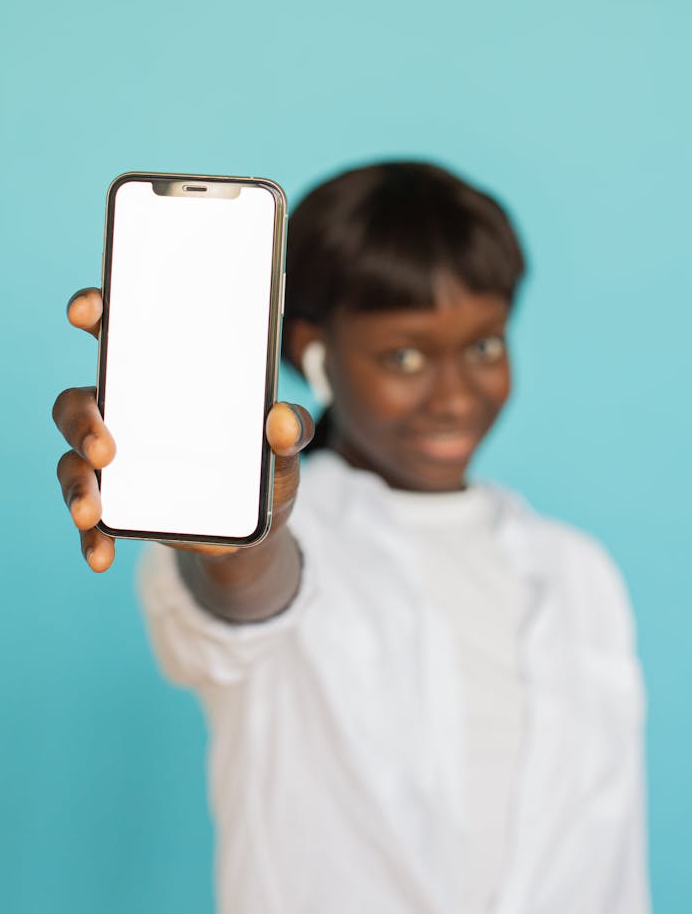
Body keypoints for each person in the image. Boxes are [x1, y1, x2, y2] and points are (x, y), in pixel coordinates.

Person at [53, 160, 650, 914]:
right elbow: (247, 599)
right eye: (403, 355)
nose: (457, 393)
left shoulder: (579, 572)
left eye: (485, 346)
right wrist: (240, 543)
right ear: (312, 352)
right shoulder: (288, 526)